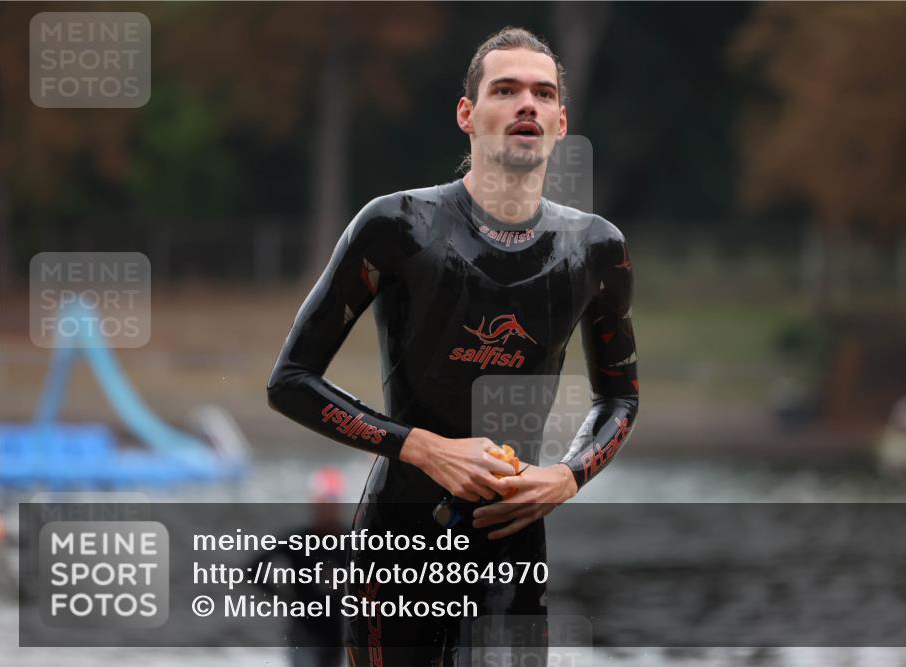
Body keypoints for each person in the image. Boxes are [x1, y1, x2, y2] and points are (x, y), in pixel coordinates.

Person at [267, 26, 638, 667]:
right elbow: (291, 381)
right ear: (468, 114)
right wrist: (421, 447)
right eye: (507, 89)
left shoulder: (595, 248)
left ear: (560, 121)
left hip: (512, 536)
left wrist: (566, 475)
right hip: (397, 536)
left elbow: (620, 396)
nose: (527, 103)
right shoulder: (397, 225)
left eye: (542, 93)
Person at [249, 467, 349, 667]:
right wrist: (284, 596)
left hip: (337, 633)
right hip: (305, 632)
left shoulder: (350, 541)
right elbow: (254, 569)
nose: (328, 510)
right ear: (314, 504)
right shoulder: (298, 540)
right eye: (324, 504)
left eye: (333, 504)